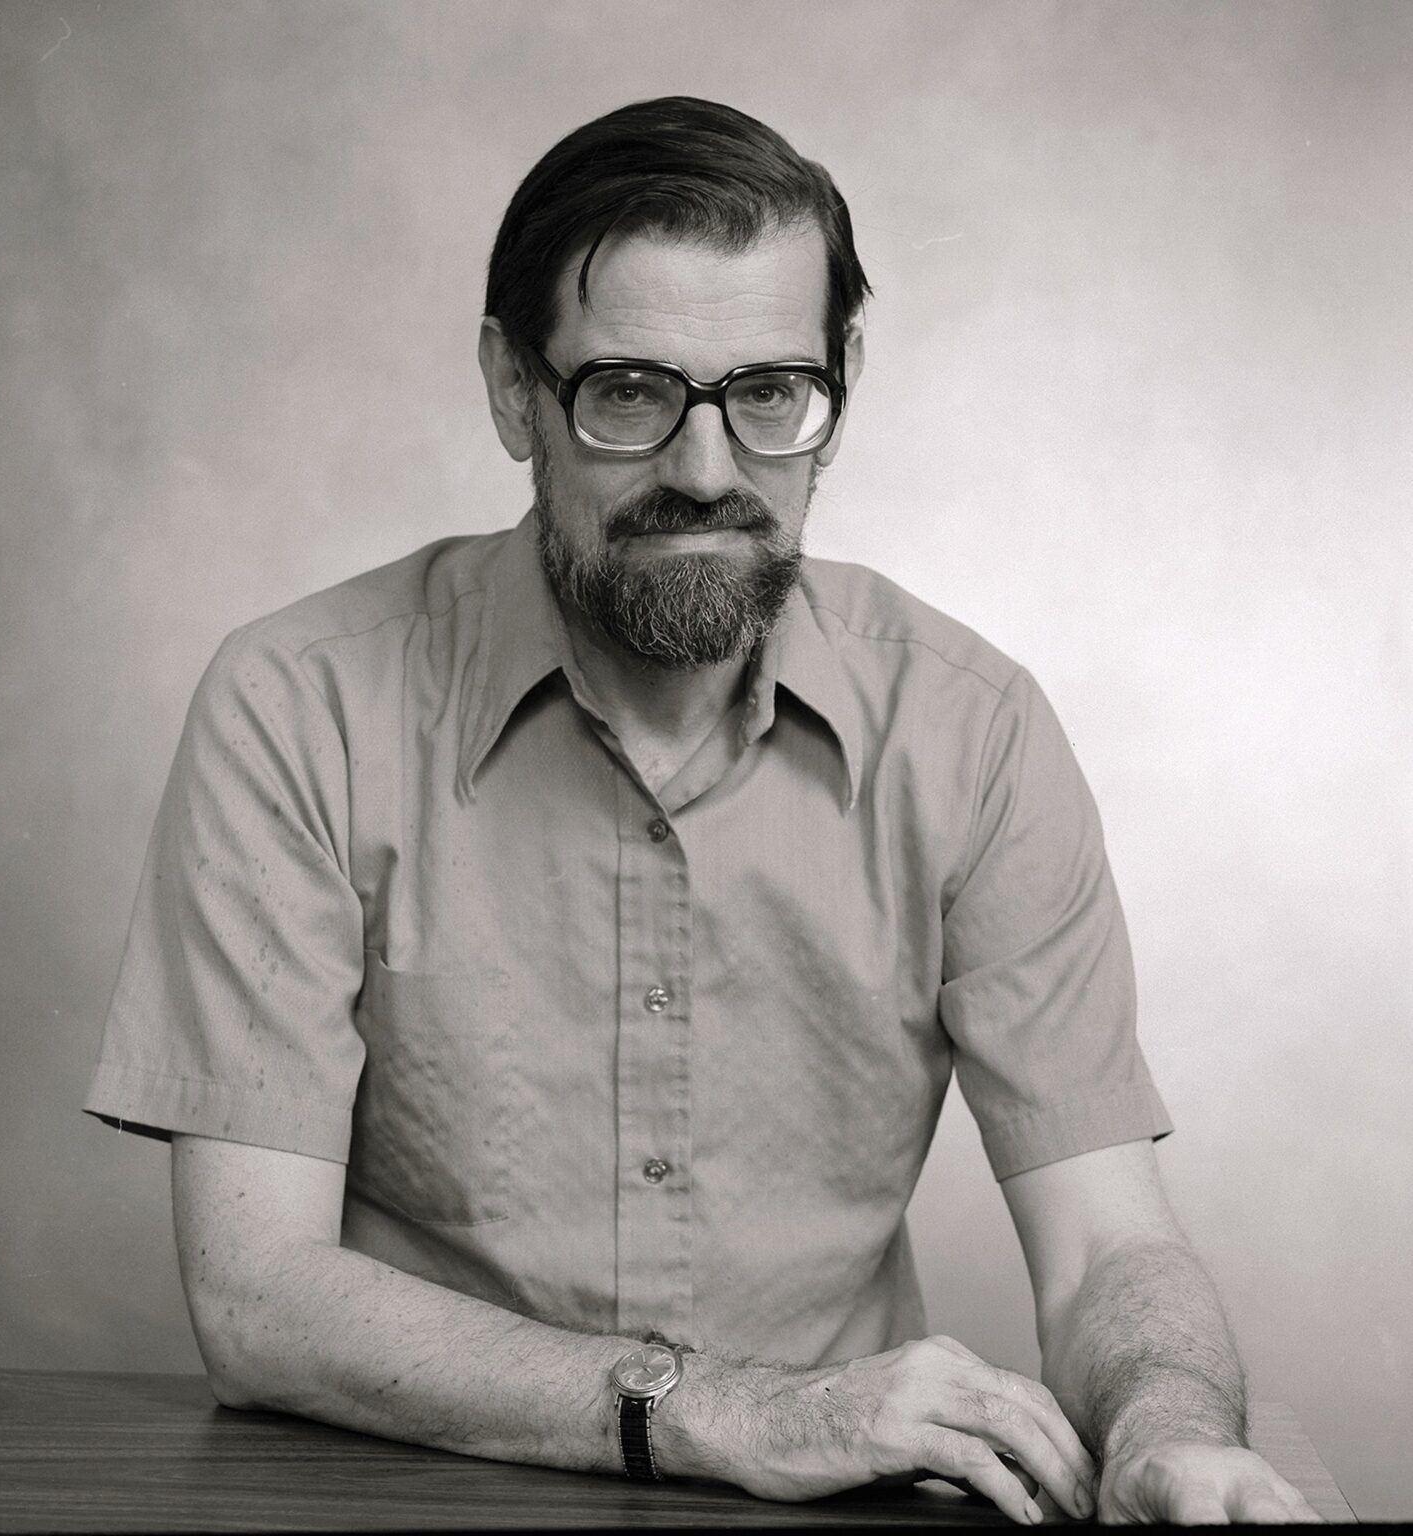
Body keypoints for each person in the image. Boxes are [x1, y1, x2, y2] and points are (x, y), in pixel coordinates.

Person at [85, 96, 1317, 1525]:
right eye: (628, 392)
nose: (709, 470)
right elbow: (258, 1297)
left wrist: (1166, 1434)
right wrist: (726, 1410)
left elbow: (1108, 1246)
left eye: (770, 394)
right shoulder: (295, 707)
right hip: (407, 1494)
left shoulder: (974, 732)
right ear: (511, 391)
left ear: (839, 380)